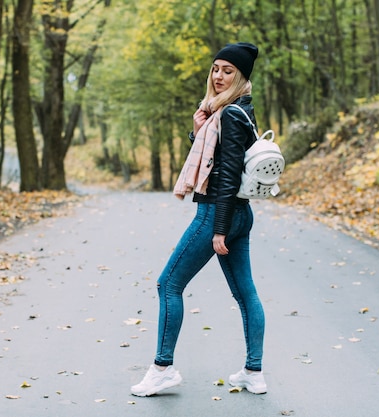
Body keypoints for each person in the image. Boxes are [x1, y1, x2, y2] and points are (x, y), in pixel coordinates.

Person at [130, 42, 267, 397]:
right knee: (245, 293)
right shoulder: (237, 111)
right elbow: (215, 158)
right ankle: (254, 372)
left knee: (168, 284)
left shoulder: (232, 115)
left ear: (241, 77)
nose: (219, 76)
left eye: (228, 71)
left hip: (216, 214)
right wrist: (197, 129)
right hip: (240, 214)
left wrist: (218, 229)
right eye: (216, 69)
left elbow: (226, 174)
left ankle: (162, 368)